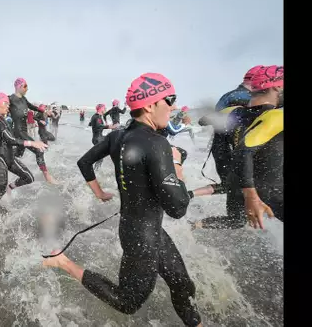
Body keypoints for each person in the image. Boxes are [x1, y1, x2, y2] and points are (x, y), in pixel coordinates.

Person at [44, 73, 202, 327]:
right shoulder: (157, 143)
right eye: (169, 100)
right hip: (143, 237)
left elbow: (84, 162)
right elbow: (178, 207)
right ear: (150, 105)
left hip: (142, 229)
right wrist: (177, 163)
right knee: (127, 302)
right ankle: (63, 262)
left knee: (183, 285)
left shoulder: (117, 136)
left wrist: (99, 192)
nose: (172, 107)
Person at [193, 65, 283, 230]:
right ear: (277, 86)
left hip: (237, 178)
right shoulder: (277, 116)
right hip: (270, 187)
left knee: (236, 220)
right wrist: (251, 195)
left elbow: (204, 120)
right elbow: (245, 150)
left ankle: (194, 226)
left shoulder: (233, 112)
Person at [0, 93, 48, 206]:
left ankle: (10, 188)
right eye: (5, 103)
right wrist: (32, 143)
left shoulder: (2, 118)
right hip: (0, 159)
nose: (8, 106)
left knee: (29, 178)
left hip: (10, 157)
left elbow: (2, 137)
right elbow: (10, 139)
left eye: (8, 103)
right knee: (0, 190)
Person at [9, 78, 56, 183]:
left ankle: (2, 155)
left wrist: (45, 111)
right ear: (19, 86)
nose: (27, 89)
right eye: (25, 86)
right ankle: (47, 176)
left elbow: (33, 107)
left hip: (24, 131)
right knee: (39, 150)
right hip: (18, 132)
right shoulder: (10, 99)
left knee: (18, 154)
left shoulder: (24, 99)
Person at [89, 103, 116, 169]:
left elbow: (90, 124)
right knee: (100, 158)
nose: (105, 109)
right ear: (101, 109)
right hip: (98, 139)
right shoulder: (97, 117)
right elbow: (99, 126)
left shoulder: (95, 116)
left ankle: (96, 170)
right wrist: (110, 126)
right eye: (104, 108)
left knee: (100, 156)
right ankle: (96, 171)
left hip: (97, 138)